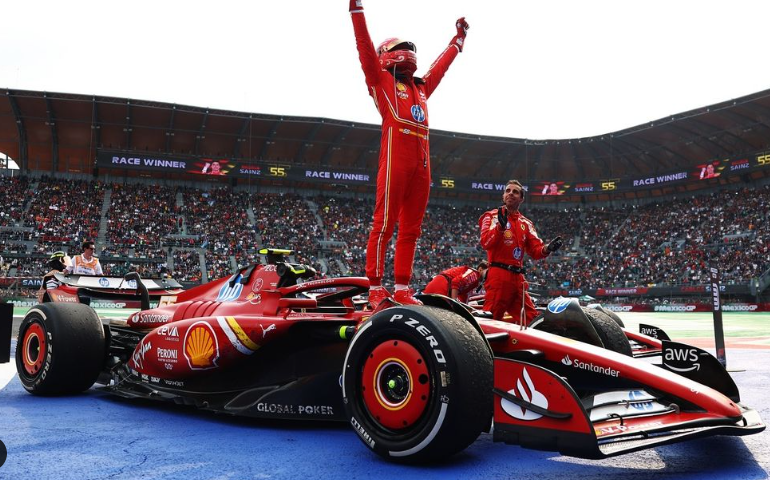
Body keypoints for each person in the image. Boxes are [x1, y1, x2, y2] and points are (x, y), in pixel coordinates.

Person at [349, 0, 469, 308]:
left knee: (411, 230)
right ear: (386, 54)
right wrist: (356, 10)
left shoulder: (421, 87)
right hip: (395, 162)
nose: (408, 50)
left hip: (422, 166)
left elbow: (439, 68)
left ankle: (402, 287)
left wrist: (457, 42)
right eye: (402, 47)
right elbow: (363, 46)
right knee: (385, 223)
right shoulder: (380, 80)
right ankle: (375, 287)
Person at [479, 180, 563, 324]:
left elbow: (536, 251)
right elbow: (485, 243)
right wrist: (500, 227)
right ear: (503, 195)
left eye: (515, 192)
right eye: (508, 191)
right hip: (499, 276)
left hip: (518, 279)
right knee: (492, 320)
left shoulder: (526, 223)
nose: (510, 193)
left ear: (521, 199)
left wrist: (547, 248)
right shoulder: (491, 216)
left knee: (532, 320)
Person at [422, 261, 488, 303]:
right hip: (442, 286)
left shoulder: (474, 279)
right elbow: (456, 282)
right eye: (488, 272)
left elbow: (463, 296)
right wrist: (454, 302)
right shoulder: (475, 274)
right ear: (480, 269)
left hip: (439, 283)